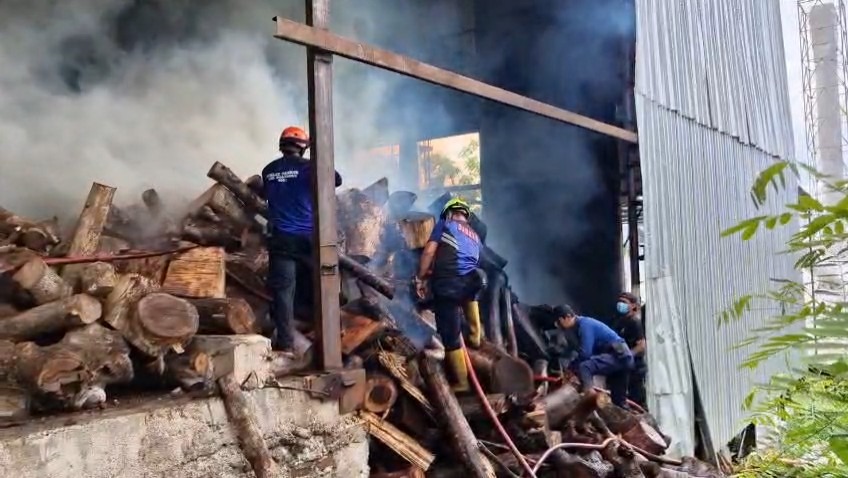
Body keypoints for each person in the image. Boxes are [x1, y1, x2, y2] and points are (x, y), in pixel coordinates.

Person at [263, 126, 342, 351]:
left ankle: (287, 345)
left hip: (280, 240)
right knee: (326, 285)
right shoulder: (310, 168)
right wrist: (319, 156)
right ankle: (332, 338)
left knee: (284, 294)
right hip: (308, 240)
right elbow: (336, 179)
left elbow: (268, 195)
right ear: (303, 147)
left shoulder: (268, 170)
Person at [415, 198, 484, 393]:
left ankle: (462, 383)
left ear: (449, 213)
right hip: (474, 280)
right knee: (470, 296)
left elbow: (429, 251)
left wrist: (420, 276)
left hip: (449, 284)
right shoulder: (474, 234)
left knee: (450, 336)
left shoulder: (445, 224)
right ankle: (475, 336)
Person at [553, 304, 634, 407]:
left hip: (618, 356)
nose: (559, 326)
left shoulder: (585, 325)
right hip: (622, 358)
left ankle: (589, 399)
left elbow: (585, 354)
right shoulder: (577, 328)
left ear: (568, 317)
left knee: (585, 367)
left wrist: (570, 368)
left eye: (559, 321)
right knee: (618, 401)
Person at [614, 292, 647, 408]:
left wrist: (629, 354)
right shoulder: (620, 322)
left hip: (636, 368)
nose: (620, 304)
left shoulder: (634, 322)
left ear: (633, 306)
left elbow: (641, 345)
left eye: (624, 302)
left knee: (636, 400)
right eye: (619, 301)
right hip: (624, 366)